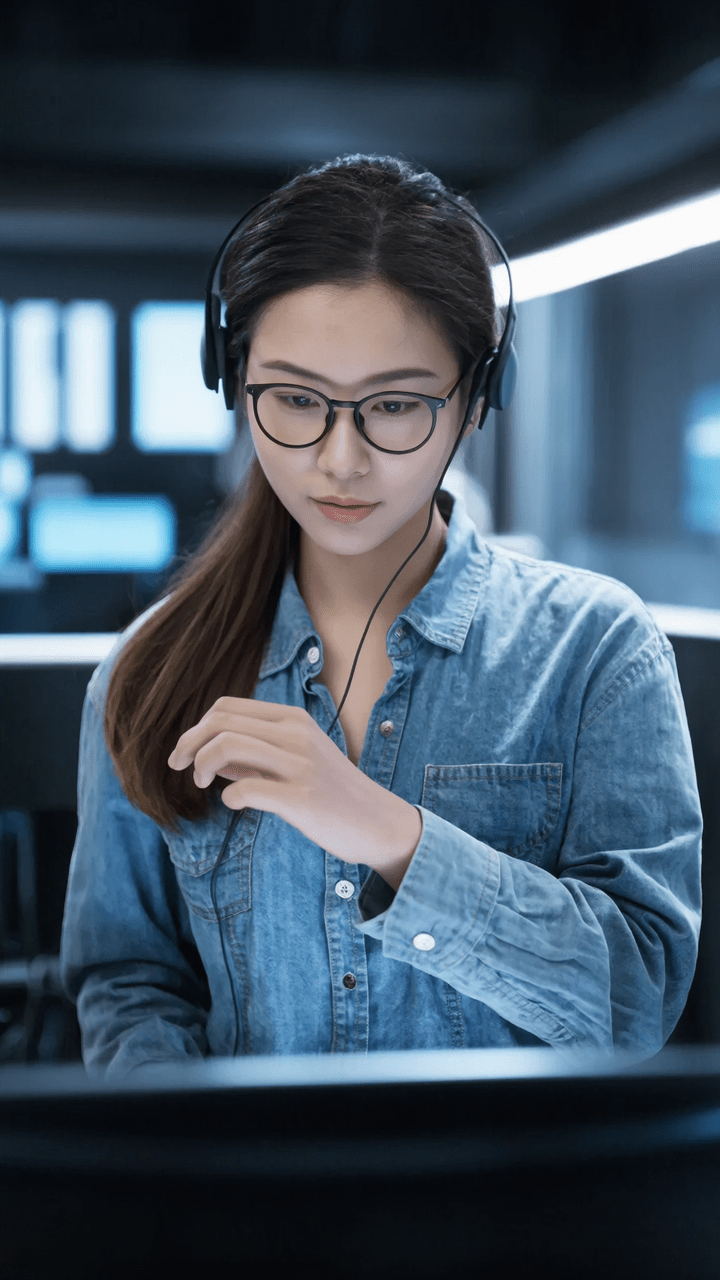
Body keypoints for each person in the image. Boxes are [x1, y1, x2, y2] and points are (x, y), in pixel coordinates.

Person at [60, 155, 702, 1077]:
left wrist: (385, 833)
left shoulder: (597, 649)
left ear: (478, 400)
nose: (339, 461)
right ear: (232, 385)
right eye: (294, 401)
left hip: (520, 1215)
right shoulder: (149, 670)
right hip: (249, 1213)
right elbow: (130, 983)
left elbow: (635, 999)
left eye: (395, 405)